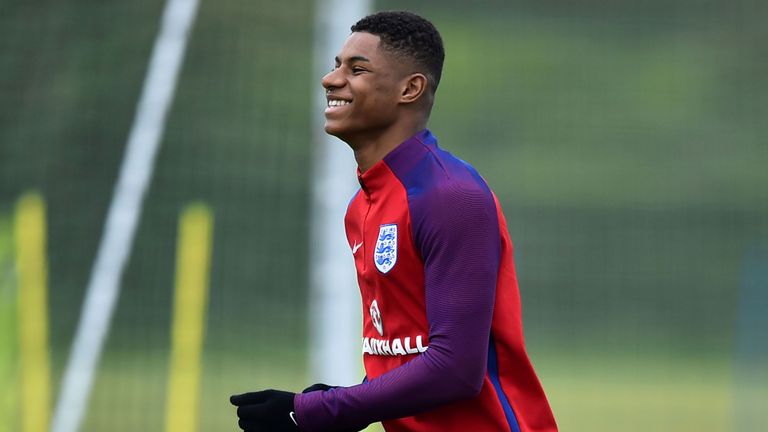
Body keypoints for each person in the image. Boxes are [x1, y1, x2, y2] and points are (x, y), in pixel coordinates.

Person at [231, 11, 558, 432]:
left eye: (357, 69)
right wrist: (337, 400)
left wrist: (317, 411)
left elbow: (454, 368)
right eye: (336, 66)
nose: (331, 80)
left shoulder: (449, 196)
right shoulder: (363, 207)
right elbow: (403, 347)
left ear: (410, 88)